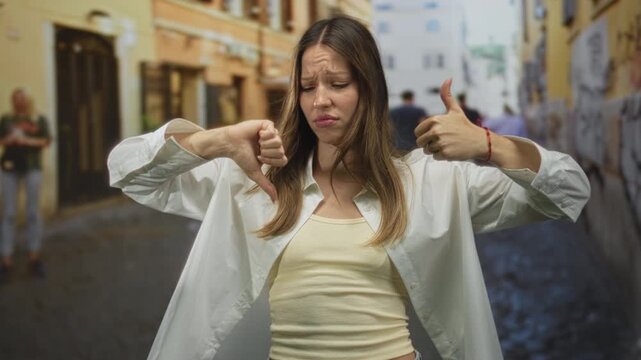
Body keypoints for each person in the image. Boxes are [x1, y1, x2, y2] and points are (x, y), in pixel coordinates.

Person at [108, 16, 590, 360]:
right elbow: (129, 172)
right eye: (307, 85)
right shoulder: (255, 179)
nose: (321, 100)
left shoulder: (429, 183)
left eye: (337, 82)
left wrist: (489, 145)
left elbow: (567, 189)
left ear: (370, 89)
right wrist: (211, 140)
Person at [0, 88, 52, 279]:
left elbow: (46, 141)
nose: (18, 101)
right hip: (9, 168)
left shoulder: (38, 119)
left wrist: (25, 141)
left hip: (32, 168)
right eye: (15, 98)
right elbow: (1, 140)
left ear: (28, 100)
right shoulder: (6, 119)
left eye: (22, 98)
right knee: (9, 212)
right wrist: (10, 139)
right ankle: (6, 259)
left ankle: (34, 256)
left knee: (33, 212)